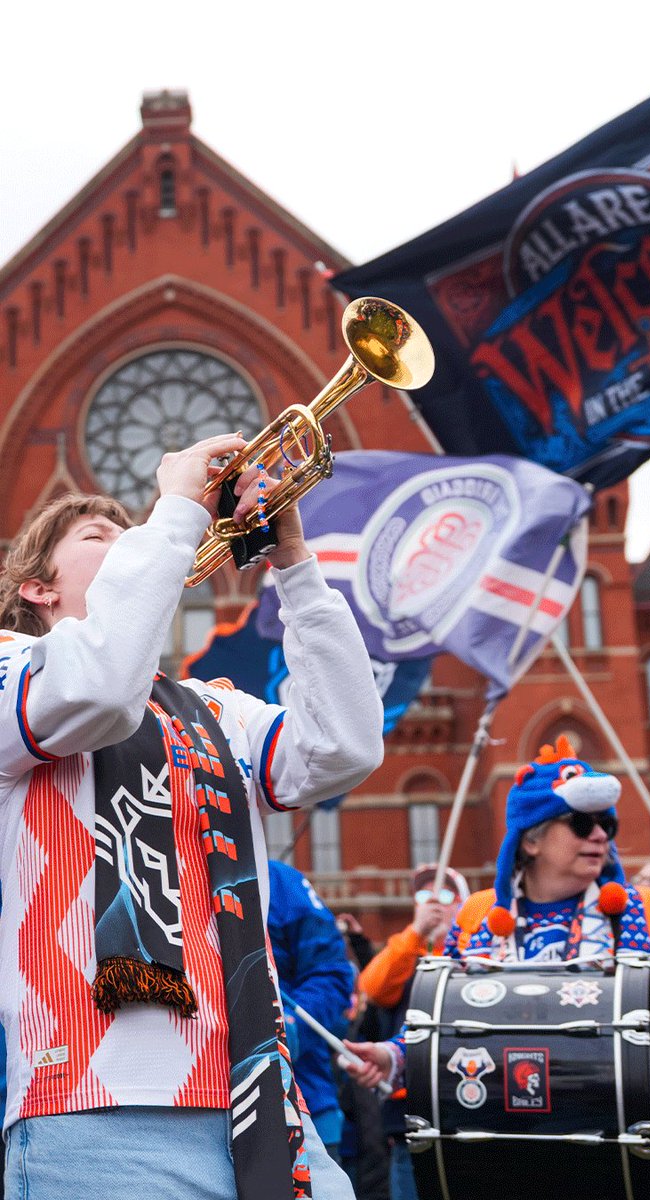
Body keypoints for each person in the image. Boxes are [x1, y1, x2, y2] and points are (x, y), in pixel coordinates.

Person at [0, 435, 384, 1200]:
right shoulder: (14, 667)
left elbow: (344, 746)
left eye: (134, 531)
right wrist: (173, 510)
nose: (137, 541)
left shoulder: (213, 708)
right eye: (101, 536)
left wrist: (295, 568)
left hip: (259, 1103)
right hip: (94, 1111)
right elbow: (102, 691)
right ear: (40, 588)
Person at [345, 737, 650, 1200]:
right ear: (530, 839)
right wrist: (393, 1057)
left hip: (637, 1145)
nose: (599, 835)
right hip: (508, 1146)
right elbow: (442, 1025)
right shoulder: (476, 919)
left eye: (606, 824)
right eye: (580, 823)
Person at [356, 863, 470, 1200]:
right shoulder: (408, 953)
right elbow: (373, 988)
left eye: (446, 893)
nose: (435, 902)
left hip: (462, 1102)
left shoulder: (473, 948)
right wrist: (416, 932)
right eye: (424, 894)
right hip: (409, 1115)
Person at [267, 858, 355, 1163]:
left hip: (304, 1106)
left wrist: (287, 1026)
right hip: (187, 1115)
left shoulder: (278, 881)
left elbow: (331, 974)